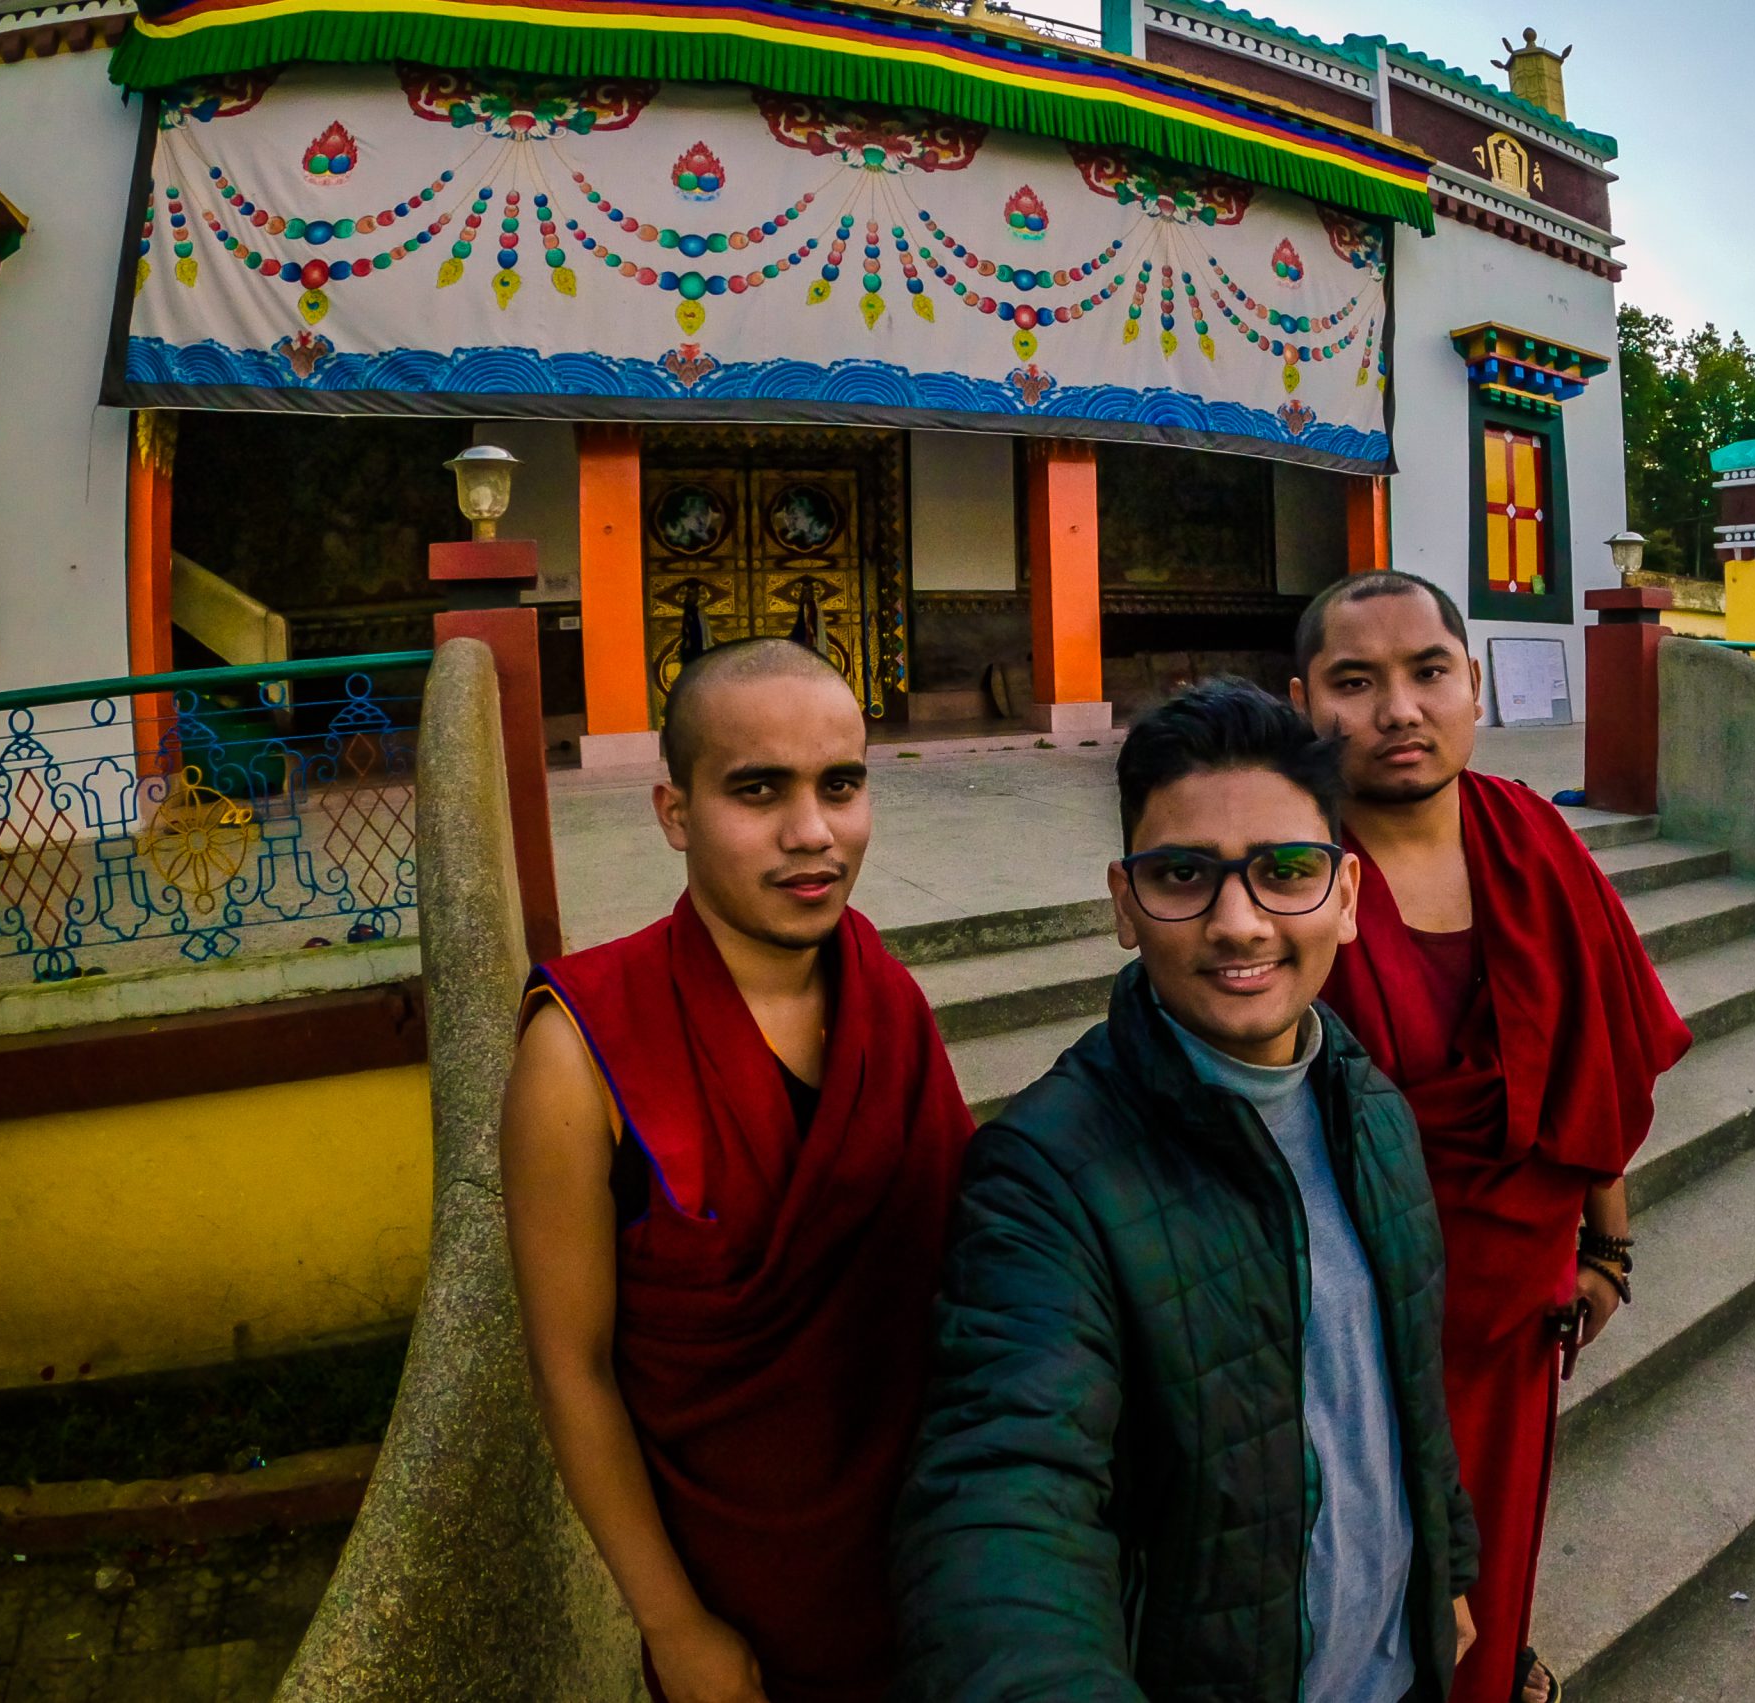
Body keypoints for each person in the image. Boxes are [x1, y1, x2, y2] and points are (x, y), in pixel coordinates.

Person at [894, 679, 1478, 1703]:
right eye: (1181, 874)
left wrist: (1448, 1567)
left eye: (1286, 870)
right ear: (1124, 904)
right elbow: (1007, 1488)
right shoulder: (1046, 1173)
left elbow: (1405, 1388)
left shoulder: (1369, 1101)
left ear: (1345, 896)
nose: (1239, 922)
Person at [501, 639, 971, 1703]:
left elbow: (961, 1260)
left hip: (935, 1558)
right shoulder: (581, 1046)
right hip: (737, 1598)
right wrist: (673, 1623)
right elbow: (570, 1366)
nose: (812, 833)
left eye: (840, 785)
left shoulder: (883, 996)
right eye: (758, 790)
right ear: (675, 810)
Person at [1293, 572, 1693, 1703]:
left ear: (1472, 686)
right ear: (1302, 700)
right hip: (1357, 1334)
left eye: (1427, 673)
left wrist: (1607, 1242)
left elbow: (1598, 1054)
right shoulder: (1288, 873)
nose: (1398, 710)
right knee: (1376, 1587)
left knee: (1499, 1539)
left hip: (1519, 1303)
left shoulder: (1532, 839)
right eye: (1354, 681)